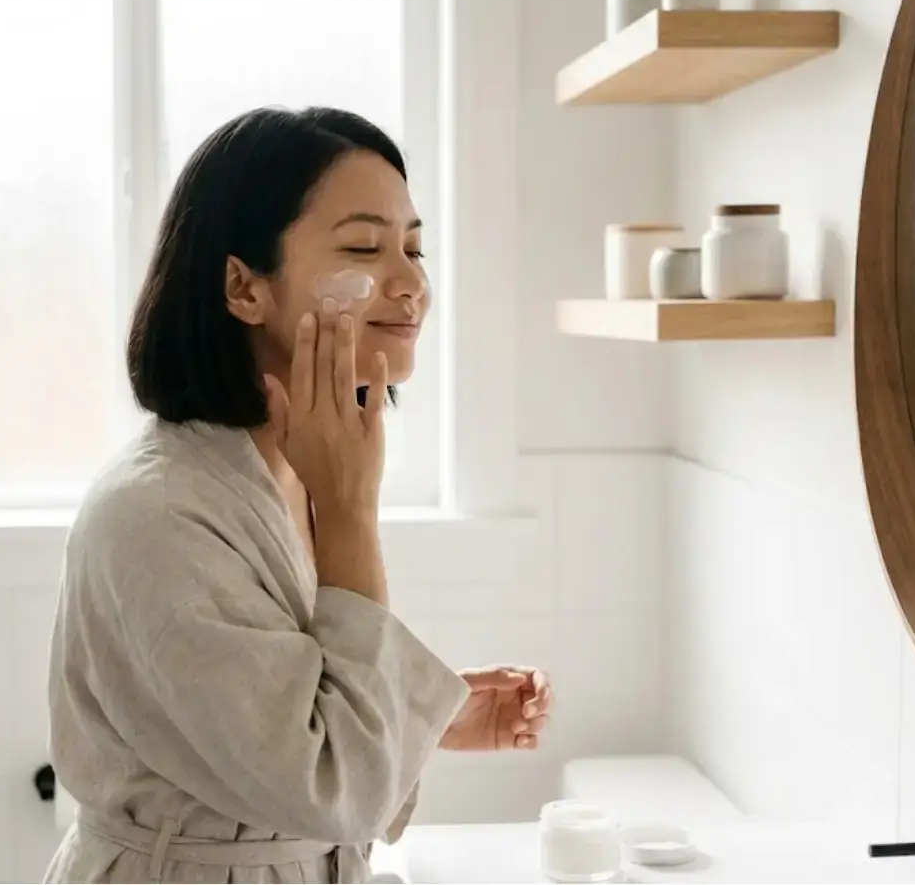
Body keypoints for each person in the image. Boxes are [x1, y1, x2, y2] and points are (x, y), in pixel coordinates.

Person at [44, 106, 554, 884]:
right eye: (363, 247)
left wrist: (426, 718)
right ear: (244, 286)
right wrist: (351, 513)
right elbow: (336, 786)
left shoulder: (289, 469)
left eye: (415, 248)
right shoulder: (153, 516)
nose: (411, 282)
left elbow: (285, 718)